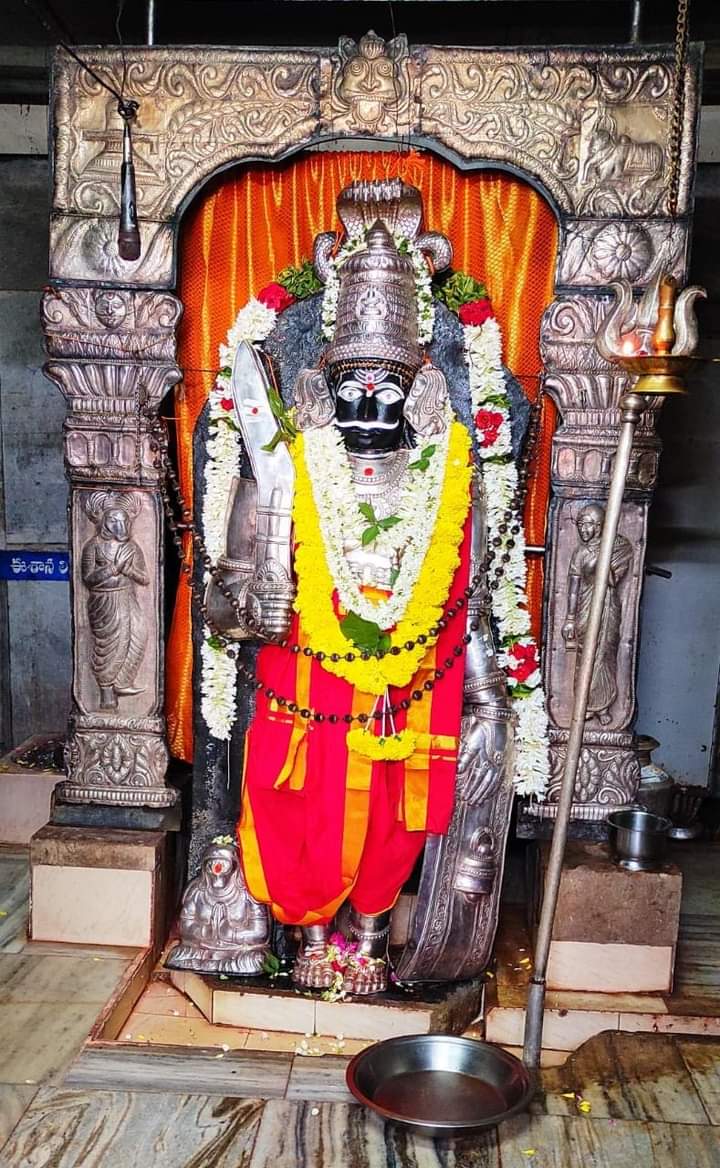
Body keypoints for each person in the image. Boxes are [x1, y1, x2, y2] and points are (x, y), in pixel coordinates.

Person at [562, 503, 633, 724]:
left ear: (600, 526)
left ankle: (603, 706)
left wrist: (603, 557)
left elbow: (613, 578)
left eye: (588, 525)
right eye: (580, 525)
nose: (583, 530)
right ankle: (585, 704)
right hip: (585, 606)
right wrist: (570, 618)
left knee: (605, 653)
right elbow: (573, 586)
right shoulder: (580, 553)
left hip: (607, 605)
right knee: (585, 654)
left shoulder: (619, 547)